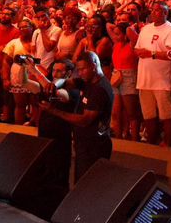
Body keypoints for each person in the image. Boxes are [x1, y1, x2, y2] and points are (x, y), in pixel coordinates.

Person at [38, 50, 115, 184]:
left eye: (83, 69)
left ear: (94, 65)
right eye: (78, 70)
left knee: (87, 185)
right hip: (85, 144)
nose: (80, 73)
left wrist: (53, 110)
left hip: (94, 146)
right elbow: (67, 81)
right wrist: (54, 84)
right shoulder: (88, 81)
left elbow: (85, 120)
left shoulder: (99, 89)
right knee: (80, 181)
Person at [135, 2, 171, 147]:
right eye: (154, 10)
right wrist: (140, 52)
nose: (155, 13)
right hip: (145, 78)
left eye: (159, 11)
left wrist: (152, 53)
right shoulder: (146, 29)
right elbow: (137, 48)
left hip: (163, 80)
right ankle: (152, 144)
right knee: (148, 115)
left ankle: (168, 144)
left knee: (167, 115)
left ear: (166, 13)